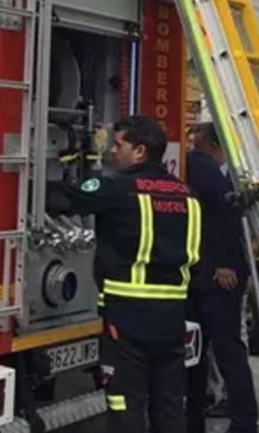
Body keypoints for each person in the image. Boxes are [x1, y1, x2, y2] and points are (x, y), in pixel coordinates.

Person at [48, 115, 202, 433]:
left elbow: (62, 199)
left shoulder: (119, 190)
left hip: (128, 320)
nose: (113, 153)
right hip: (172, 318)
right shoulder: (187, 196)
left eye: (119, 146)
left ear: (140, 151)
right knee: (169, 404)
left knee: (125, 403)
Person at [184, 123, 258, 433]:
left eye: (196, 144)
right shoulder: (211, 168)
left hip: (218, 276)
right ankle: (200, 419)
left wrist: (226, 264)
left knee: (223, 351)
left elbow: (225, 218)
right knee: (201, 352)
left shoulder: (208, 170)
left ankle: (242, 422)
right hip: (205, 273)